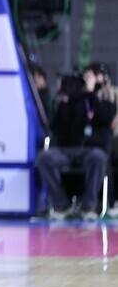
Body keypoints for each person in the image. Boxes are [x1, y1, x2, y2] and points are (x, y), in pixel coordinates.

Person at [36, 64, 116, 220]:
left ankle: (88, 206)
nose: (87, 80)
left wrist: (91, 93)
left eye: (91, 77)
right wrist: (70, 99)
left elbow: (104, 118)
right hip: (66, 149)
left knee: (99, 158)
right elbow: (57, 126)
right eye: (85, 77)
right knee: (44, 158)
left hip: (91, 149)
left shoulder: (105, 100)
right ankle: (62, 204)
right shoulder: (70, 101)